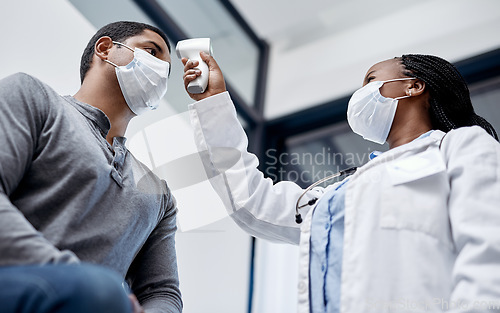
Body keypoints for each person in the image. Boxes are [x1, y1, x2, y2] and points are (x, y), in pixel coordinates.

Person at [182, 52, 500, 312]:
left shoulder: (461, 148)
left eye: (371, 79)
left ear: (413, 86)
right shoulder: (340, 195)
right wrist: (213, 104)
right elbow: (251, 202)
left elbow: (489, 255)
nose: (360, 92)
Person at [0, 21, 182, 313]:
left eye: (167, 70)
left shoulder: (159, 195)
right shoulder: (33, 98)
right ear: (105, 48)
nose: (161, 71)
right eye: (152, 52)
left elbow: (162, 291)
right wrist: (79, 282)